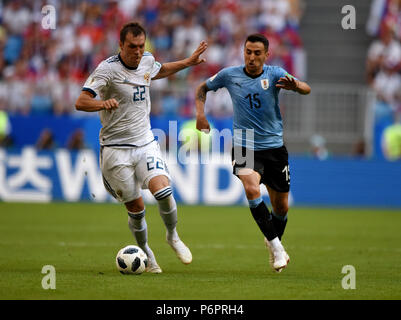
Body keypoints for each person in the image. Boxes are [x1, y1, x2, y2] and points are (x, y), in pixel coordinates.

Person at [75, 22, 208, 273]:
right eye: (132, 47)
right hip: (115, 149)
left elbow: (159, 70)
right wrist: (102, 104)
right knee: (136, 209)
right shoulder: (107, 70)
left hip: (145, 141)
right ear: (121, 46)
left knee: (164, 191)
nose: (137, 51)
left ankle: (172, 235)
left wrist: (188, 62)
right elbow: (81, 101)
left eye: (140, 46)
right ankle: (146, 252)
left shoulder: (147, 60)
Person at [195, 33, 311, 273]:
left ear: (266, 55)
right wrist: (200, 114)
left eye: (257, 53)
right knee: (251, 188)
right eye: (248, 52)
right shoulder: (229, 75)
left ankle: (272, 241)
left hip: (274, 147)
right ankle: (278, 249)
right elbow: (201, 88)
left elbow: (306, 89)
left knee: (281, 209)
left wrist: (296, 86)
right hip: (244, 142)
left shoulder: (276, 74)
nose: (252, 57)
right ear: (243, 52)